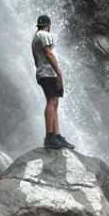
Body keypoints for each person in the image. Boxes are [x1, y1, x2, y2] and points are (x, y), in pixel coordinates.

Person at [31, 15, 75, 150]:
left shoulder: (37, 36)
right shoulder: (44, 34)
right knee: (51, 101)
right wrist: (59, 72)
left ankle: (56, 135)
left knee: (54, 101)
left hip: (45, 73)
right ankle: (50, 136)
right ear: (49, 24)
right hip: (47, 73)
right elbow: (49, 53)